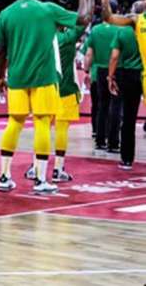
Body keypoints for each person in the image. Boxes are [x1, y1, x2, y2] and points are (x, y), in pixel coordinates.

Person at [0, 0, 93, 194]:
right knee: (41, 123)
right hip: (43, 77)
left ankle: (4, 176)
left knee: (14, 123)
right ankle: (40, 179)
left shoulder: (5, 15)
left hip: (17, 77)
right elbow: (84, 19)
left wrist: (0, 77)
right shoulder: (47, 9)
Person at [25, 22, 86, 182]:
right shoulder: (68, 38)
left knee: (41, 128)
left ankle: (35, 167)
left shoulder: (39, 39)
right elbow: (83, 21)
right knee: (61, 130)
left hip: (45, 87)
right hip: (66, 89)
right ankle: (58, 169)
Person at [102, 0, 145, 170]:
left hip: (129, 74)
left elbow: (114, 56)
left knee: (127, 116)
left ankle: (126, 158)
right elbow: (109, 18)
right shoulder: (136, 20)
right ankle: (127, 158)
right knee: (128, 117)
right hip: (140, 74)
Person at [83, 15, 123, 152]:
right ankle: (113, 143)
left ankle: (100, 140)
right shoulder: (119, 29)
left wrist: (86, 70)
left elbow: (88, 54)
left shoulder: (95, 30)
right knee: (116, 107)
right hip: (115, 69)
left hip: (99, 71)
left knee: (101, 106)